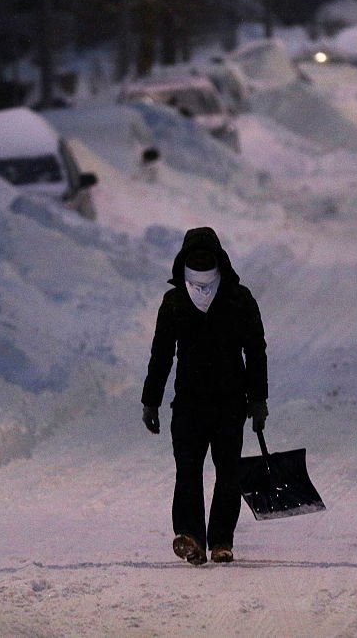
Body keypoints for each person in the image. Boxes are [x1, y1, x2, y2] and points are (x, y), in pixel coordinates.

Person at [141, 227, 268, 566]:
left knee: (203, 472)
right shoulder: (230, 298)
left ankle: (207, 538)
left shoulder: (192, 301)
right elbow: (255, 352)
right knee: (216, 472)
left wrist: (150, 401)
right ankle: (203, 539)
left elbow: (162, 356)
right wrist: (257, 400)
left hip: (205, 404)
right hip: (214, 404)